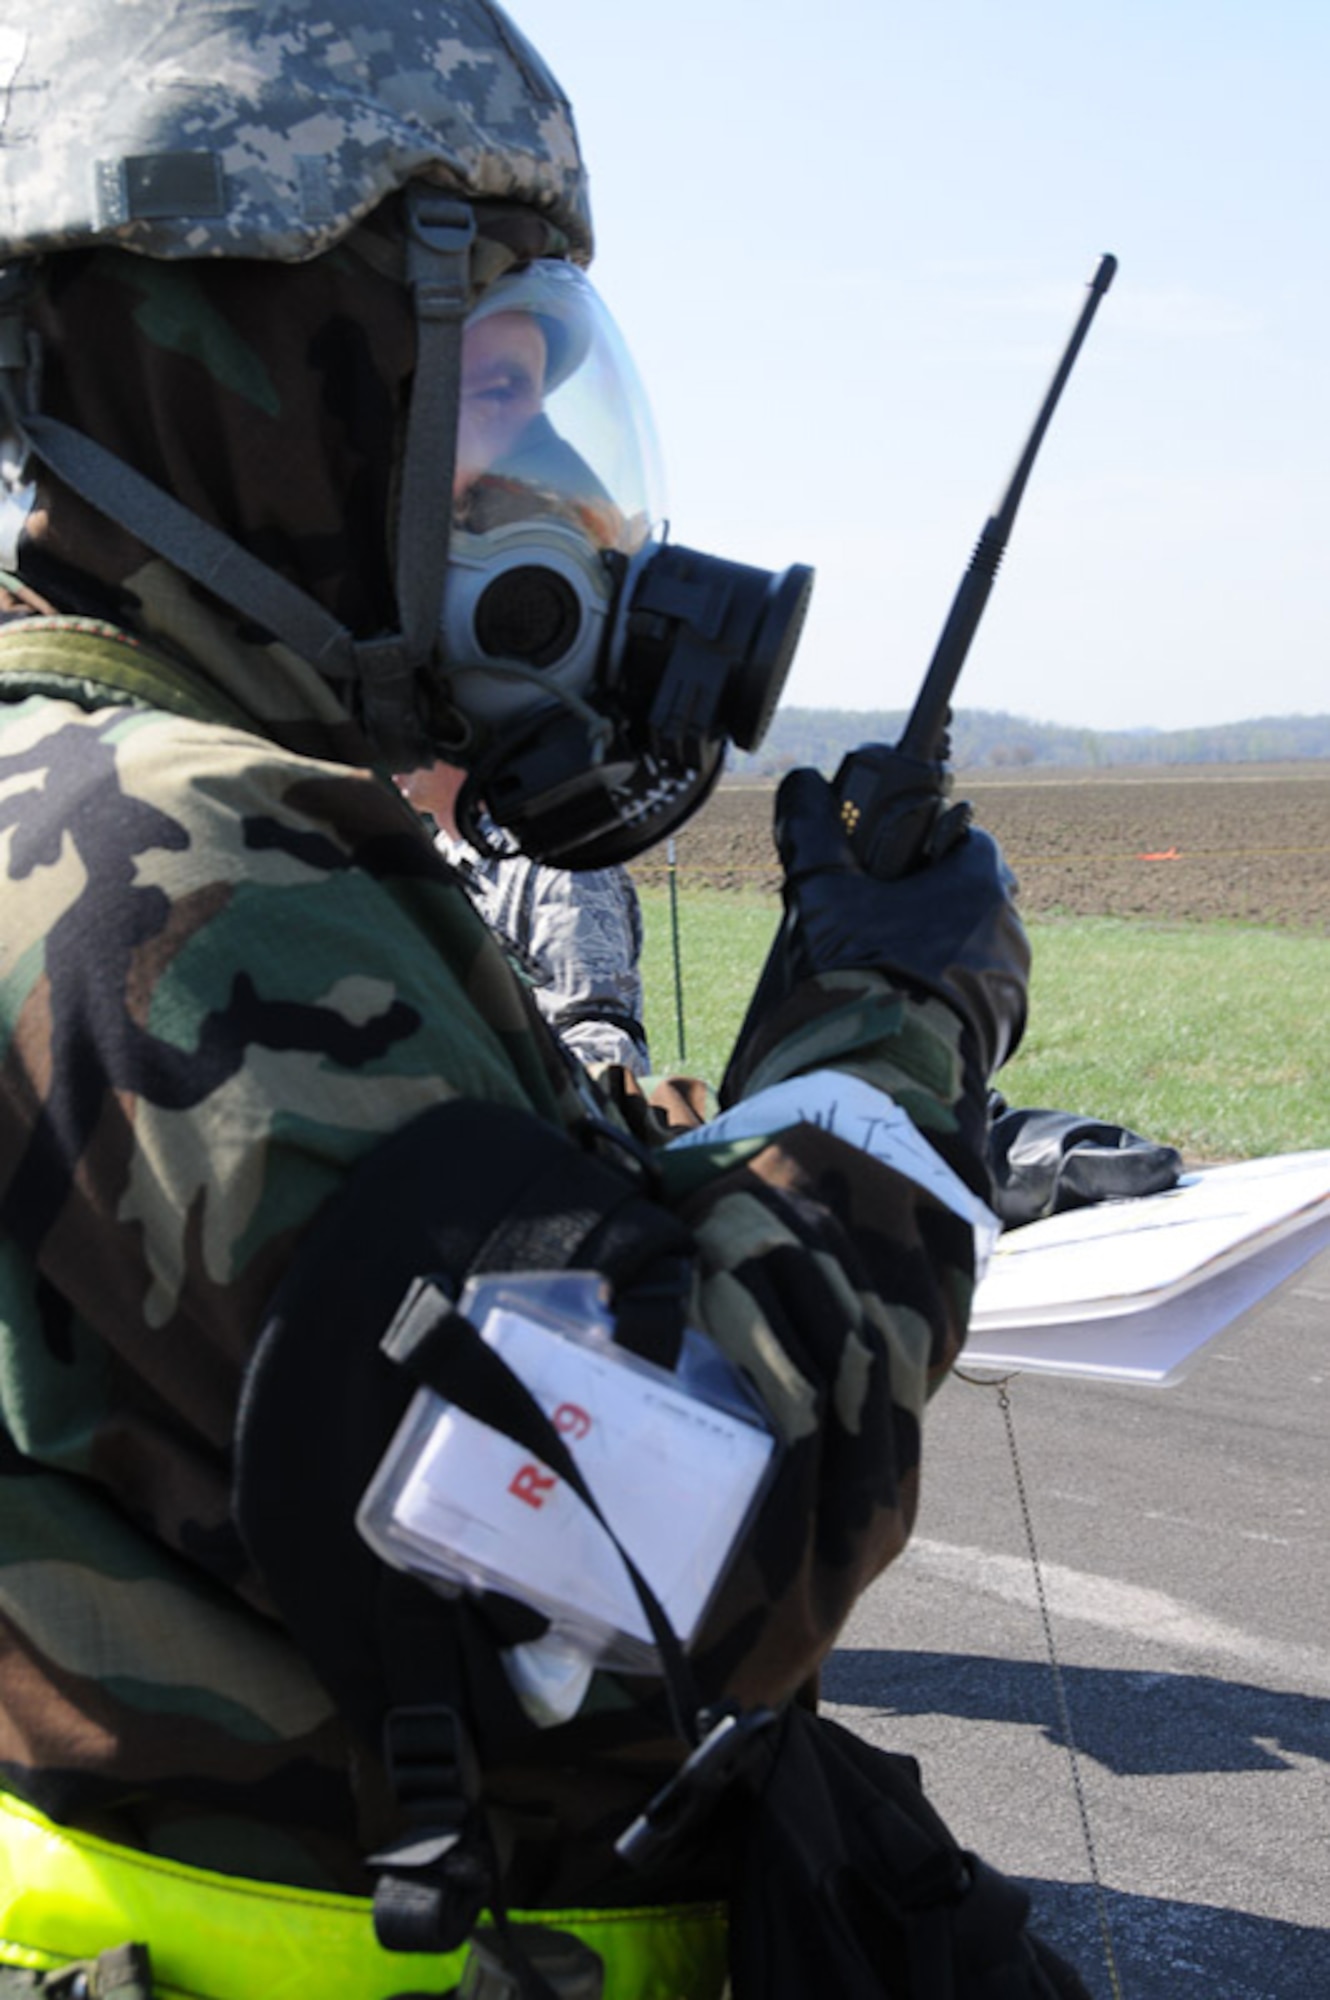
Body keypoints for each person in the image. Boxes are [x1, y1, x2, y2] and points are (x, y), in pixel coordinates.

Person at [0, 5, 1084, 1996]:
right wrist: (889, 1035)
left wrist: (717, 1126)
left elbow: (446, 1309)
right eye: (478, 391)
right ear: (258, 403)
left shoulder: (106, 802)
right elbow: (700, 1536)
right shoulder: (179, 862)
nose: (552, 488)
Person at [399, 759, 650, 1074]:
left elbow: (597, 1038)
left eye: (400, 730)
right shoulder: (431, 863)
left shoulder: (560, 863)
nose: (383, 751)